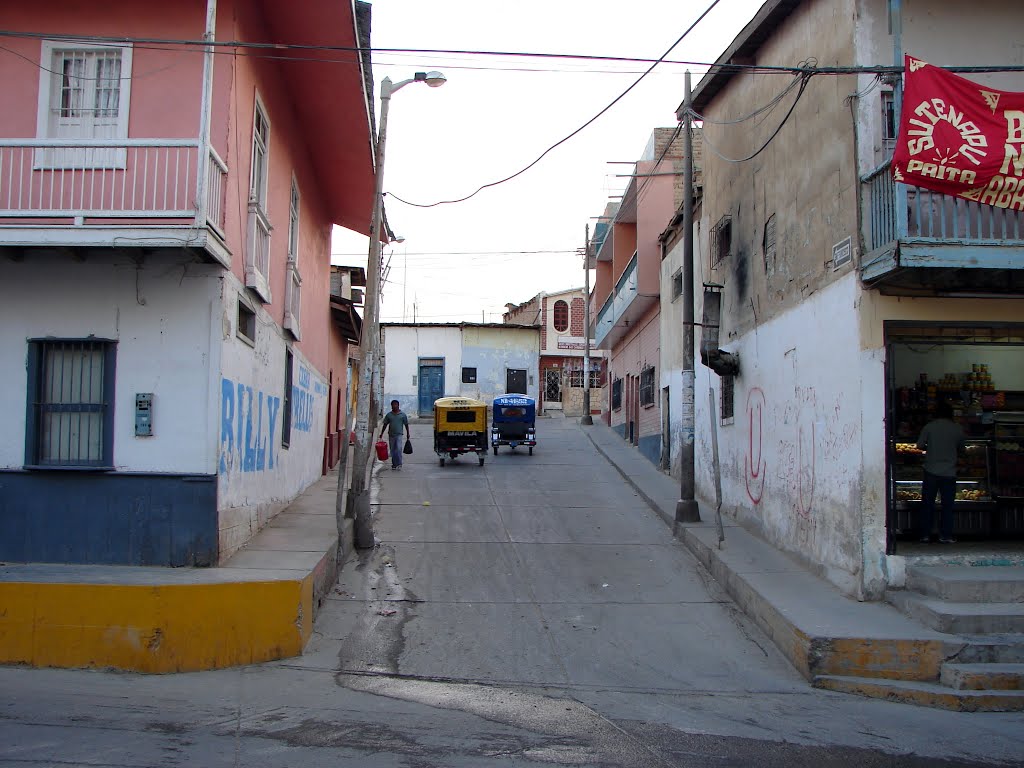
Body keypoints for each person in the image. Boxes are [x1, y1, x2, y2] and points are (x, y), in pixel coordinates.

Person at [915, 400, 966, 543]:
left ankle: (925, 534)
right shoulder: (957, 429)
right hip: (949, 472)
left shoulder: (929, 427)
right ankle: (946, 535)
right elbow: (963, 449)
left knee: (927, 504)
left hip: (931, 470)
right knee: (947, 506)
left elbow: (919, 446)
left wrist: (930, 448)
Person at [379, 399, 410, 471]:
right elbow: (385, 424)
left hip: (399, 434)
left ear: (398, 405)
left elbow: (406, 424)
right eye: (393, 405)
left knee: (398, 449)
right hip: (391, 435)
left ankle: (399, 463)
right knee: (393, 450)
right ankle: (394, 464)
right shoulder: (389, 415)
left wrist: (408, 433)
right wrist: (381, 433)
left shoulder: (402, 415)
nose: (394, 406)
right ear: (391, 406)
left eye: (396, 405)